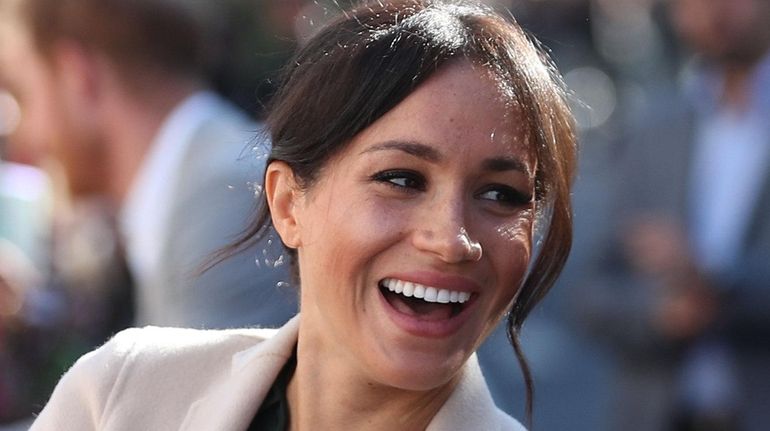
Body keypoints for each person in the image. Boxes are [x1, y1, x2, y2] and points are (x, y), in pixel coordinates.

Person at [29, 0, 577, 429]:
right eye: (402, 179)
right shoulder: (122, 394)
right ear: (288, 203)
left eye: (503, 195)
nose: (452, 240)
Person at [0, 0, 296, 329]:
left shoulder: (221, 198)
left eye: (24, 95)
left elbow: (187, 379)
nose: (25, 134)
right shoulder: (194, 187)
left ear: (78, 77)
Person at [578, 0, 770, 430]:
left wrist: (713, 278)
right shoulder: (654, 130)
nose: (713, 10)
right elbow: (593, 294)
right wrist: (659, 313)